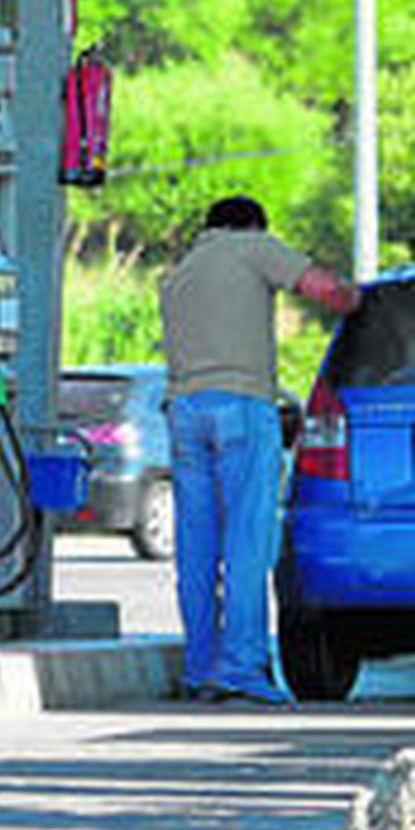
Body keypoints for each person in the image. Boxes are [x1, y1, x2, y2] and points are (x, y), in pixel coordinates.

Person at [158, 195, 361, 705]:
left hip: (183, 412)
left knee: (197, 550)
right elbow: (332, 293)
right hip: (242, 409)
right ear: (251, 225)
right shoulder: (253, 246)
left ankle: (200, 669)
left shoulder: (179, 273)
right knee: (248, 544)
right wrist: (362, 299)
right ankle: (242, 669)